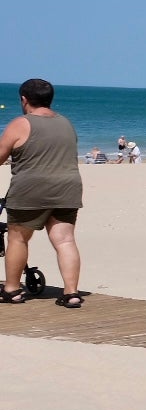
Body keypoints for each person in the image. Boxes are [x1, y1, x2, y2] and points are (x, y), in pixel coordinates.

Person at [0, 79, 85, 306]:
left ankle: (11, 290)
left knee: (18, 238)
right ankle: (71, 293)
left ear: (24, 99)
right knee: (65, 240)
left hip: (31, 190)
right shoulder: (66, 123)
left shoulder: (21, 123)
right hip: (68, 188)